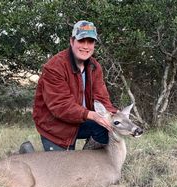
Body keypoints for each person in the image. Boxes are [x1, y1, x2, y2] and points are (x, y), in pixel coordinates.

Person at [32, 20, 117, 151]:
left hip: (82, 119)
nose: (86, 46)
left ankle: (86, 160)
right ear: (72, 41)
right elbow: (61, 106)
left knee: (105, 130)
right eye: (81, 41)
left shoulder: (94, 66)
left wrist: (115, 115)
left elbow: (102, 98)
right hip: (56, 126)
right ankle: (27, 153)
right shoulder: (54, 67)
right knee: (61, 170)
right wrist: (93, 115)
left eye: (90, 42)